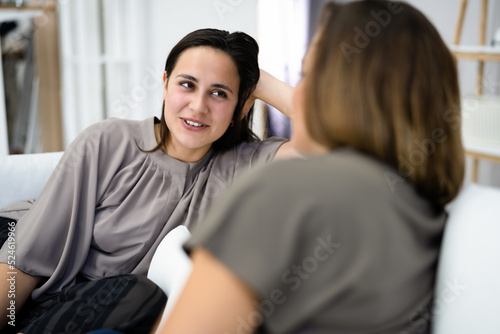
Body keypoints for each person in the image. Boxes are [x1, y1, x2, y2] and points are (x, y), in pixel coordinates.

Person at [159, 1, 465, 333]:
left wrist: (252, 81)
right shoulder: (420, 208)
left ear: (338, 91)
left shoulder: (286, 190)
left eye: (307, 74)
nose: (298, 92)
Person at [0, 28, 295, 333]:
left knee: (140, 294)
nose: (198, 106)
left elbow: (337, 141)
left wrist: (258, 82)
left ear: (240, 107)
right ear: (165, 85)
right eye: (187, 84)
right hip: (17, 262)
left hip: (97, 307)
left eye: (219, 93)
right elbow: (24, 259)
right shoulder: (108, 141)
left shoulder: (246, 166)